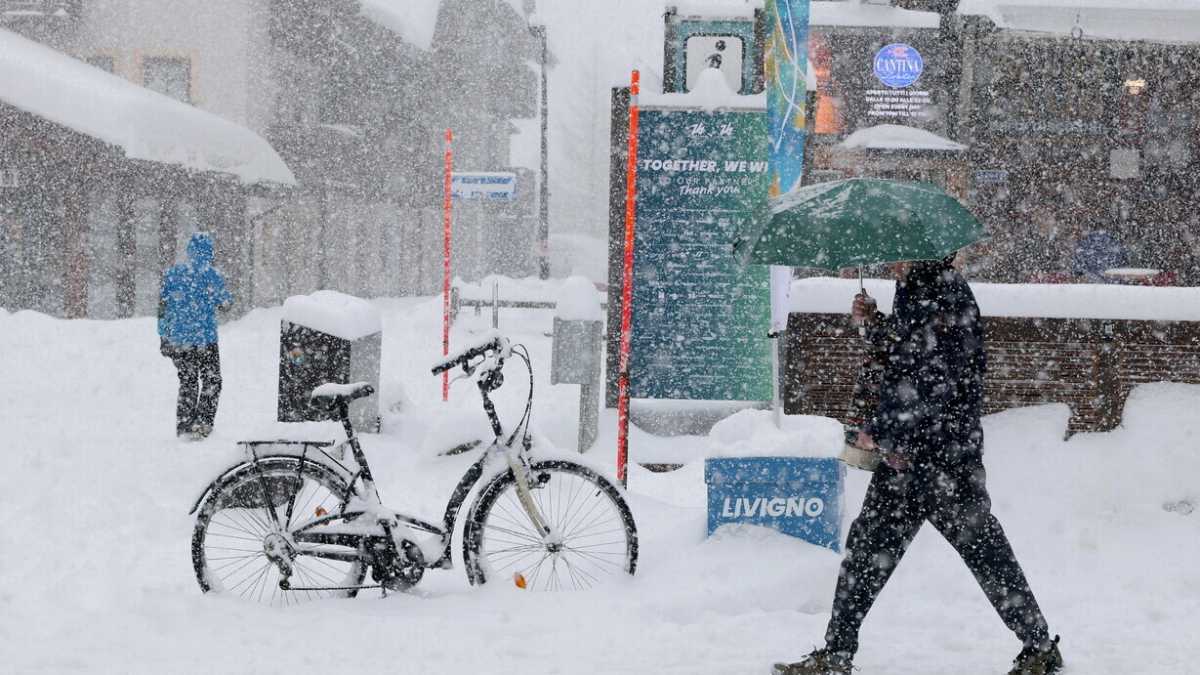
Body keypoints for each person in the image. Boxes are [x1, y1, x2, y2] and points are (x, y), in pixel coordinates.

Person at [773, 257, 1063, 675]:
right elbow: (909, 353)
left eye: (897, 254)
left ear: (918, 254)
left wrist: (881, 429)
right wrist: (875, 324)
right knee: (871, 552)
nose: (890, 262)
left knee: (981, 552)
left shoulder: (941, 295)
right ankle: (836, 653)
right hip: (913, 460)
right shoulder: (918, 291)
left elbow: (934, 380)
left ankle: (1038, 646)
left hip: (943, 460)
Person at [158, 232, 232, 439]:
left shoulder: (173, 274)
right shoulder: (212, 275)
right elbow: (226, 303)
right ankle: (203, 423)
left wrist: (164, 336)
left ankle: (184, 425)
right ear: (210, 252)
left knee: (188, 381)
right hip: (205, 339)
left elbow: (162, 310)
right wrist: (221, 297)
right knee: (212, 380)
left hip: (180, 340)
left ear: (189, 251)